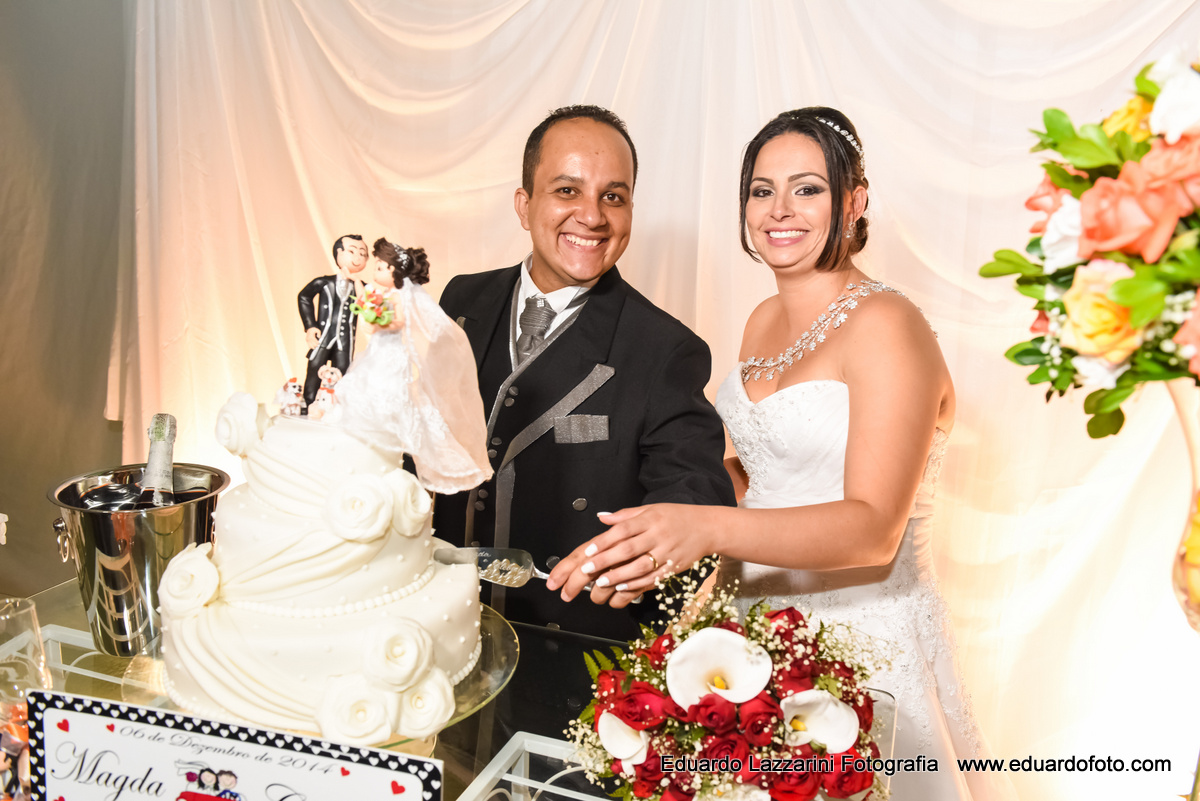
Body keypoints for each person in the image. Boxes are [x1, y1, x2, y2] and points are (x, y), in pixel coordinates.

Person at [548, 108, 1012, 800]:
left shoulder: (888, 323)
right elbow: (768, 475)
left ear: (854, 201)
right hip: (752, 623)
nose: (779, 210)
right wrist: (657, 536)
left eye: (808, 189)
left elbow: (873, 527)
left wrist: (704, 527)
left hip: (864, 637)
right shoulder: (762, 320)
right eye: (761, 190)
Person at [436, 105, 735, 641]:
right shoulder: (461, 300)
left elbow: (696, 493)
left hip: (567, 648)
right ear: (524, 206)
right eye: (567, 191)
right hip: (433, 627)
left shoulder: (665, 349)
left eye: (613, 197)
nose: (593, 216)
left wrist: (641, 563)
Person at [327, 238, 491, 494]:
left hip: (390, 352)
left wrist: (376, 316)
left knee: (384, 387)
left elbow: (398, 322)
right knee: (360, 383)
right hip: (376, 350)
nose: (376, 271)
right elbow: (363, 295)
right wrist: (366, 303)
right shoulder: (381, 293)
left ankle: (384, 428)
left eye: (381, 267)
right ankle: (361, 432)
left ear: (395, 272)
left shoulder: (400, 297)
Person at [296, 234, 368, 412]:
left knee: (342, 373)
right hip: (323, 336)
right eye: (352, 251)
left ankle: (335, 409)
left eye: (362, 254)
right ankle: (307, 405)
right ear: (339, 253)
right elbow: (304, 296)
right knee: (314, 370)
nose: (357, 257)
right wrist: (310, 326)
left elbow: (368, 306)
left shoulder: (362, 287)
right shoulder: (324, 282)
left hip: (345, 341)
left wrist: (359, 285)